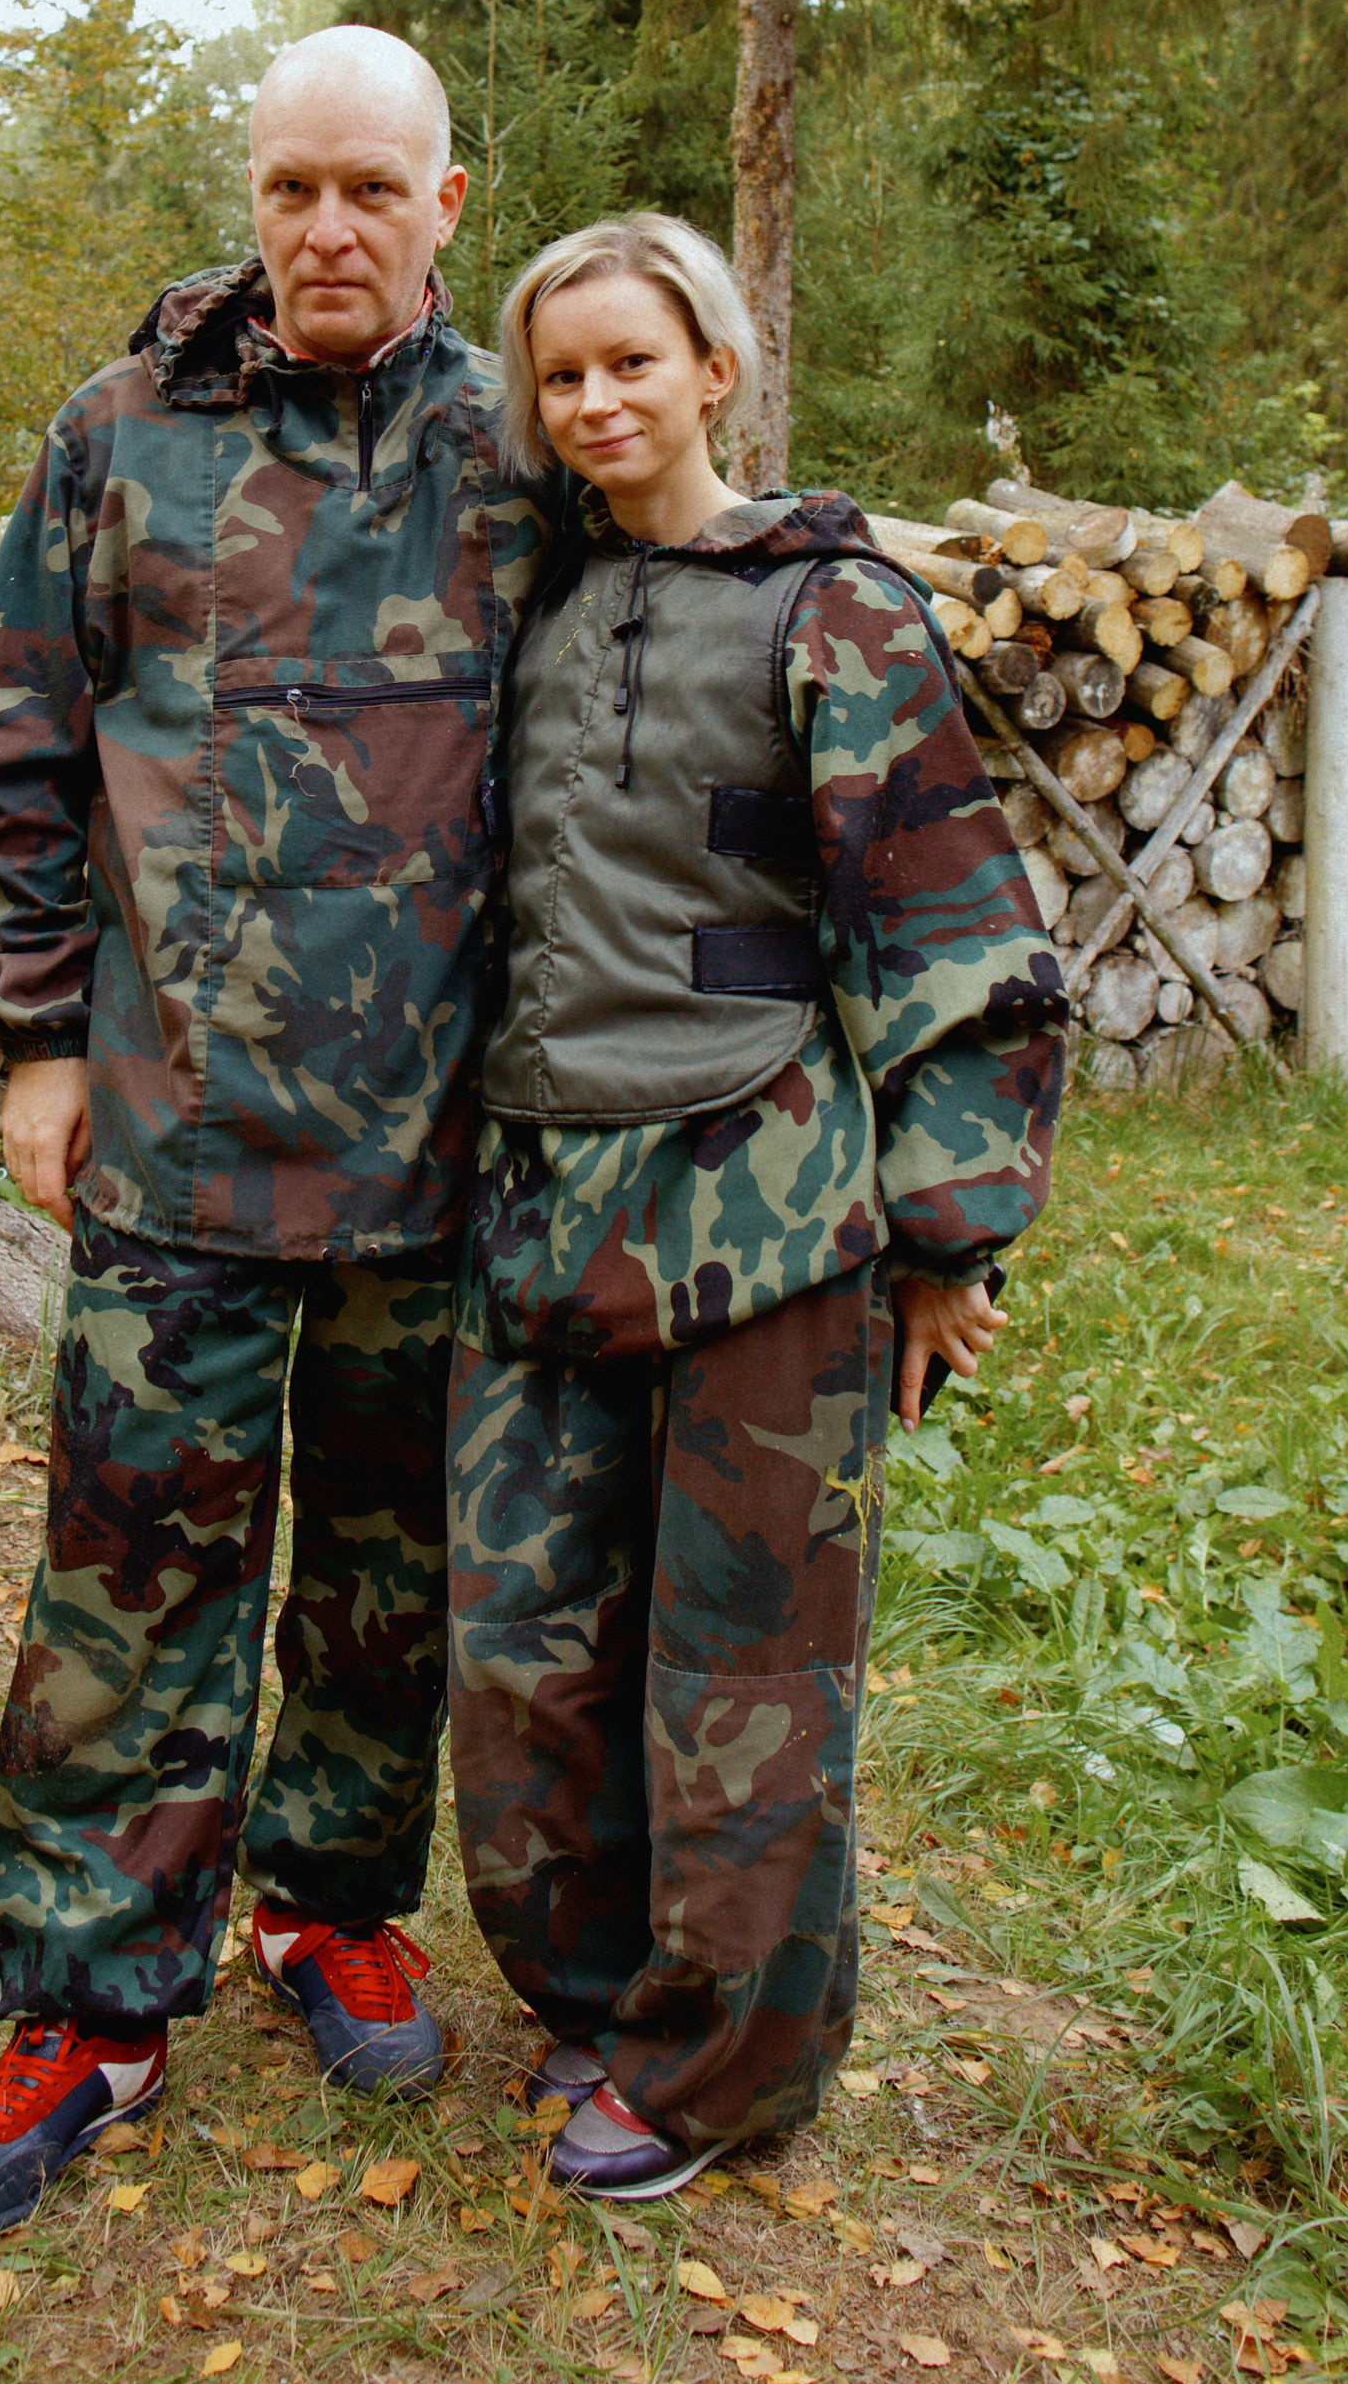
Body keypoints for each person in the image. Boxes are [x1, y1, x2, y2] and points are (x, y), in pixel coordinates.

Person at [0, 27, 553, 2245]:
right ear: (250, 194)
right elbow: (13, 742)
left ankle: (331, 1904)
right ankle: (91, 1998)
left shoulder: (517, 445)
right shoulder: (118, 438)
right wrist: (36, 1045)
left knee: (386, 1570)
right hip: (174, 1126)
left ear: (448, 202)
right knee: (130, 1570)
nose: (324, 231)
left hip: (438, 1145)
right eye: (290, 189)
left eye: (369, 190)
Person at [446, 213, 1066, 2202]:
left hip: (768, 1218)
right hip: (542, 1210)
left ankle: (718, 2075)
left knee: (743, 1682)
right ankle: (601, 1998)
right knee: (531, 1650)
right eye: (561, 375)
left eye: (631, 360)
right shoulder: (529, 604)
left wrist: (944, 1241)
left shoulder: (833, 613)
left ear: (713, 367)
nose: (595, 401)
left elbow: (949, 927)